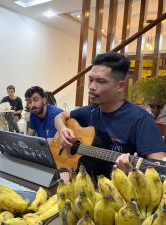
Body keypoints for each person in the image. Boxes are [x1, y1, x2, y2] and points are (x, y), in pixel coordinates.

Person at [55, 51, 166, 182]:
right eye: (91, 80)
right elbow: (60, 116)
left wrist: (132, 173)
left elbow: (159, 171)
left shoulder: (140, 119)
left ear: (120, 86)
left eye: (100, 81)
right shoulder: (91, 111)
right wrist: (62, 130)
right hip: (84, 183)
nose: (91, 87)